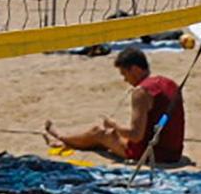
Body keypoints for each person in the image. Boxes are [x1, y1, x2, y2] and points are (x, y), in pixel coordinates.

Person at [42, 47, 185, 164]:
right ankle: (71, 140)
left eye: (124, 74)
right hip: (174, 150)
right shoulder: (168, 83)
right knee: (101, 137)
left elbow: (136, 136)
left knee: (100, 131)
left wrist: (114, 124)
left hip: (153, 154)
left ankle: (61, 137)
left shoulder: (141, 91)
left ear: (134, 69)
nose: (125, 79)